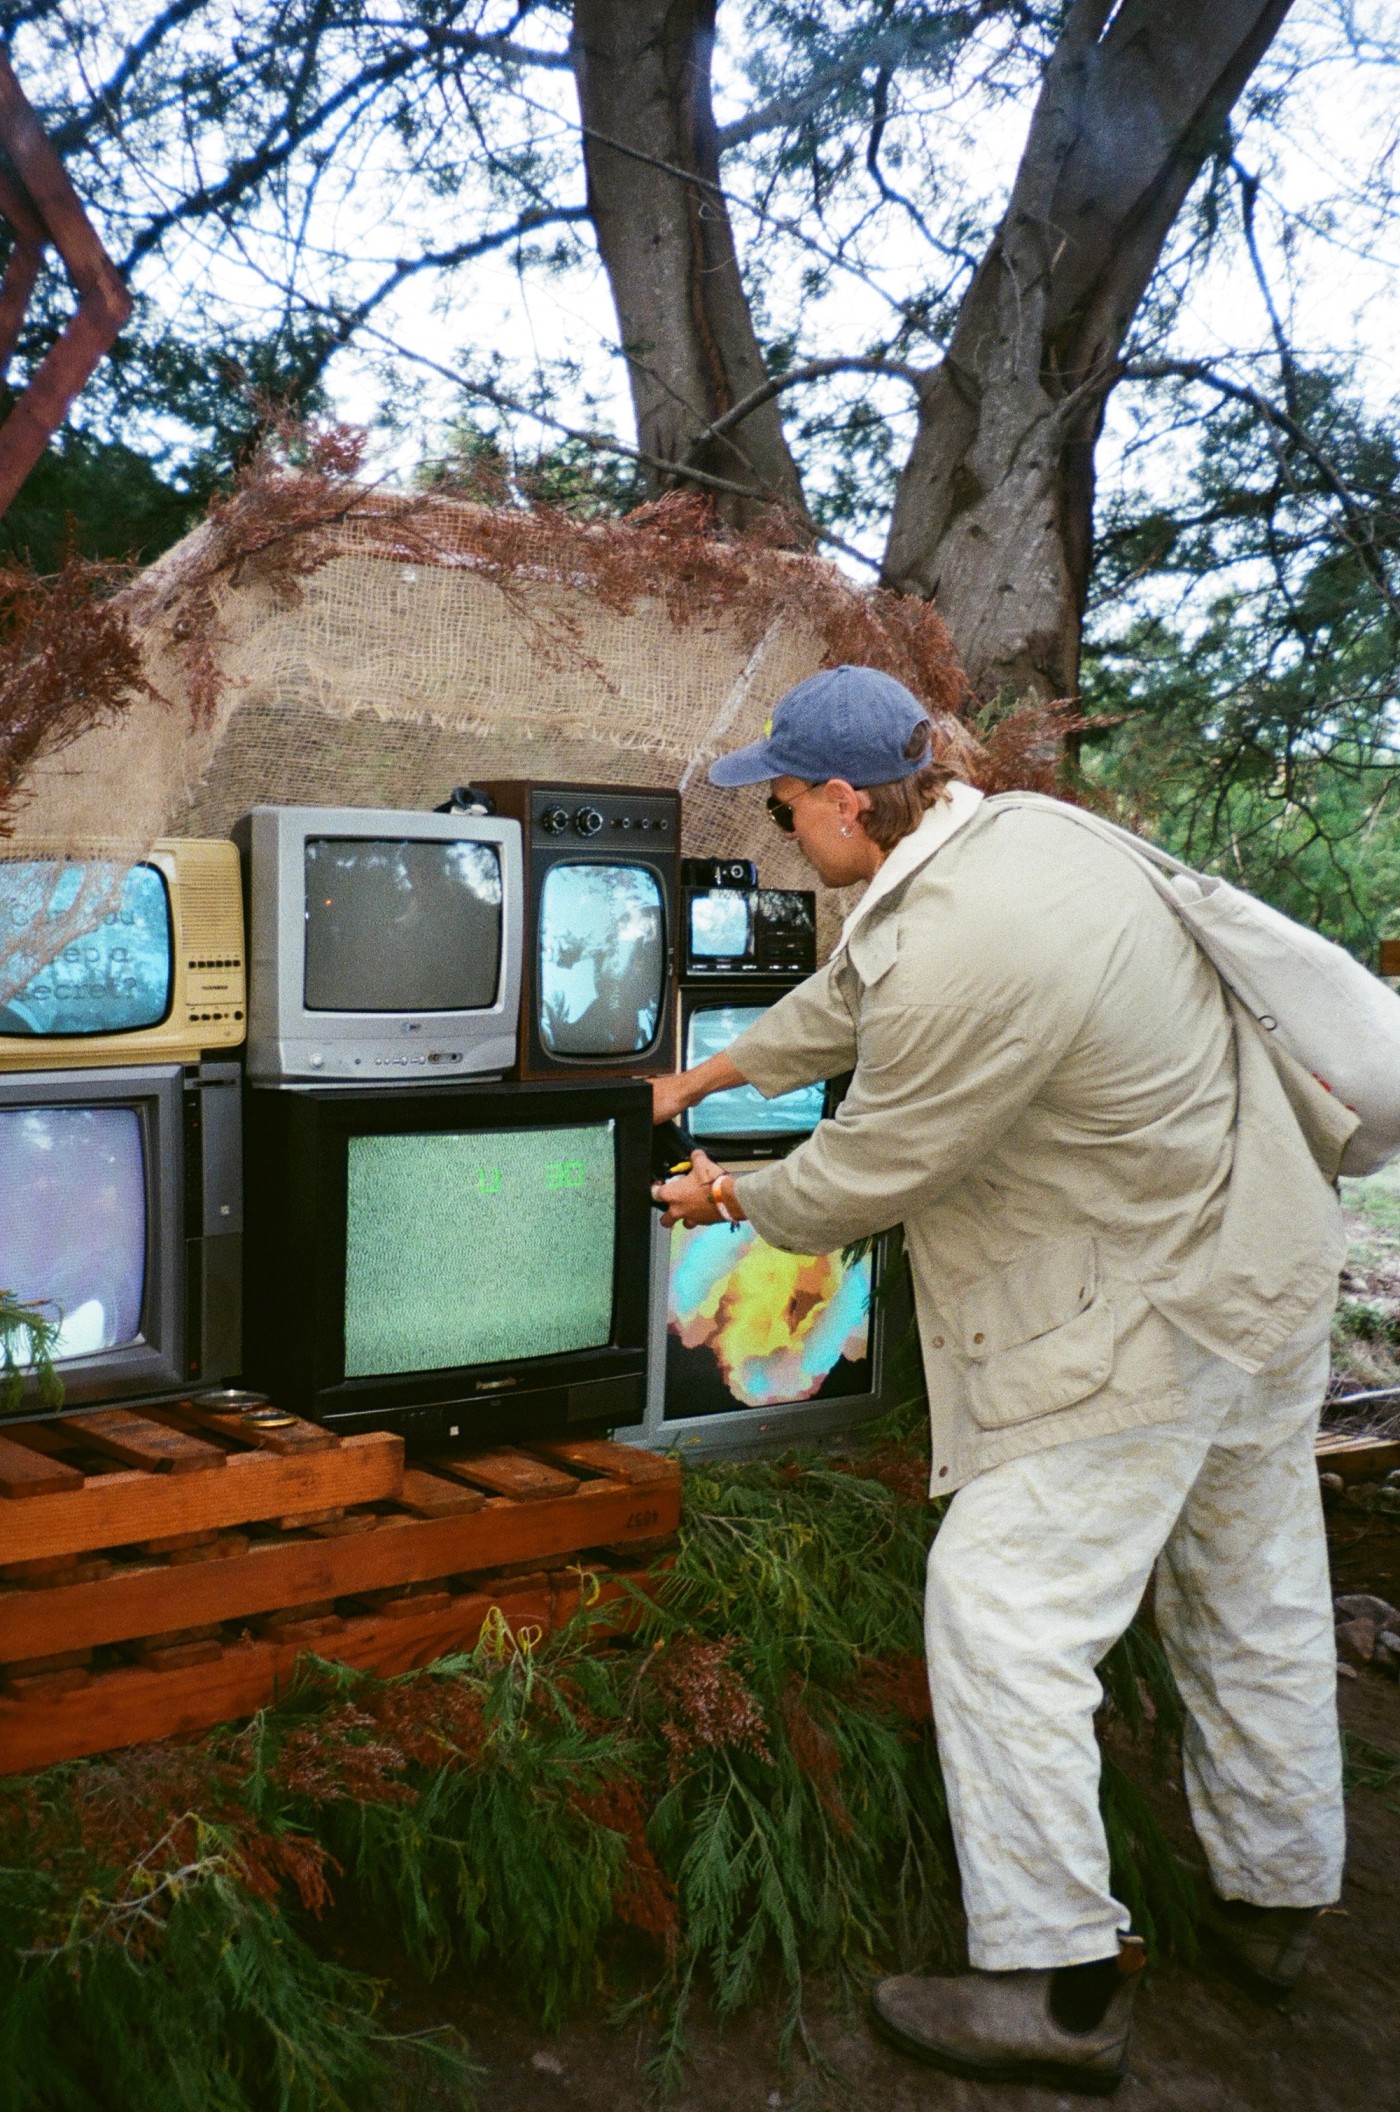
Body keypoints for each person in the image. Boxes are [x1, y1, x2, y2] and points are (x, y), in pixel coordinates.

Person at [652, 665, 1346, 2097]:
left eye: (783, 809)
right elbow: (848, 996)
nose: (783, 831)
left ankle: (1057, 1984)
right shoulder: (1016, 836)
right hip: (1264, 1271)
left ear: (849, 798)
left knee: (1002, 1611)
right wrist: (696, 1080)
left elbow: (879, 1167)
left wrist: (729, 1198)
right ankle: (1276, 1906)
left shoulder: (975, 939)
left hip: (1153, 1308)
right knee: (1252, 1588)